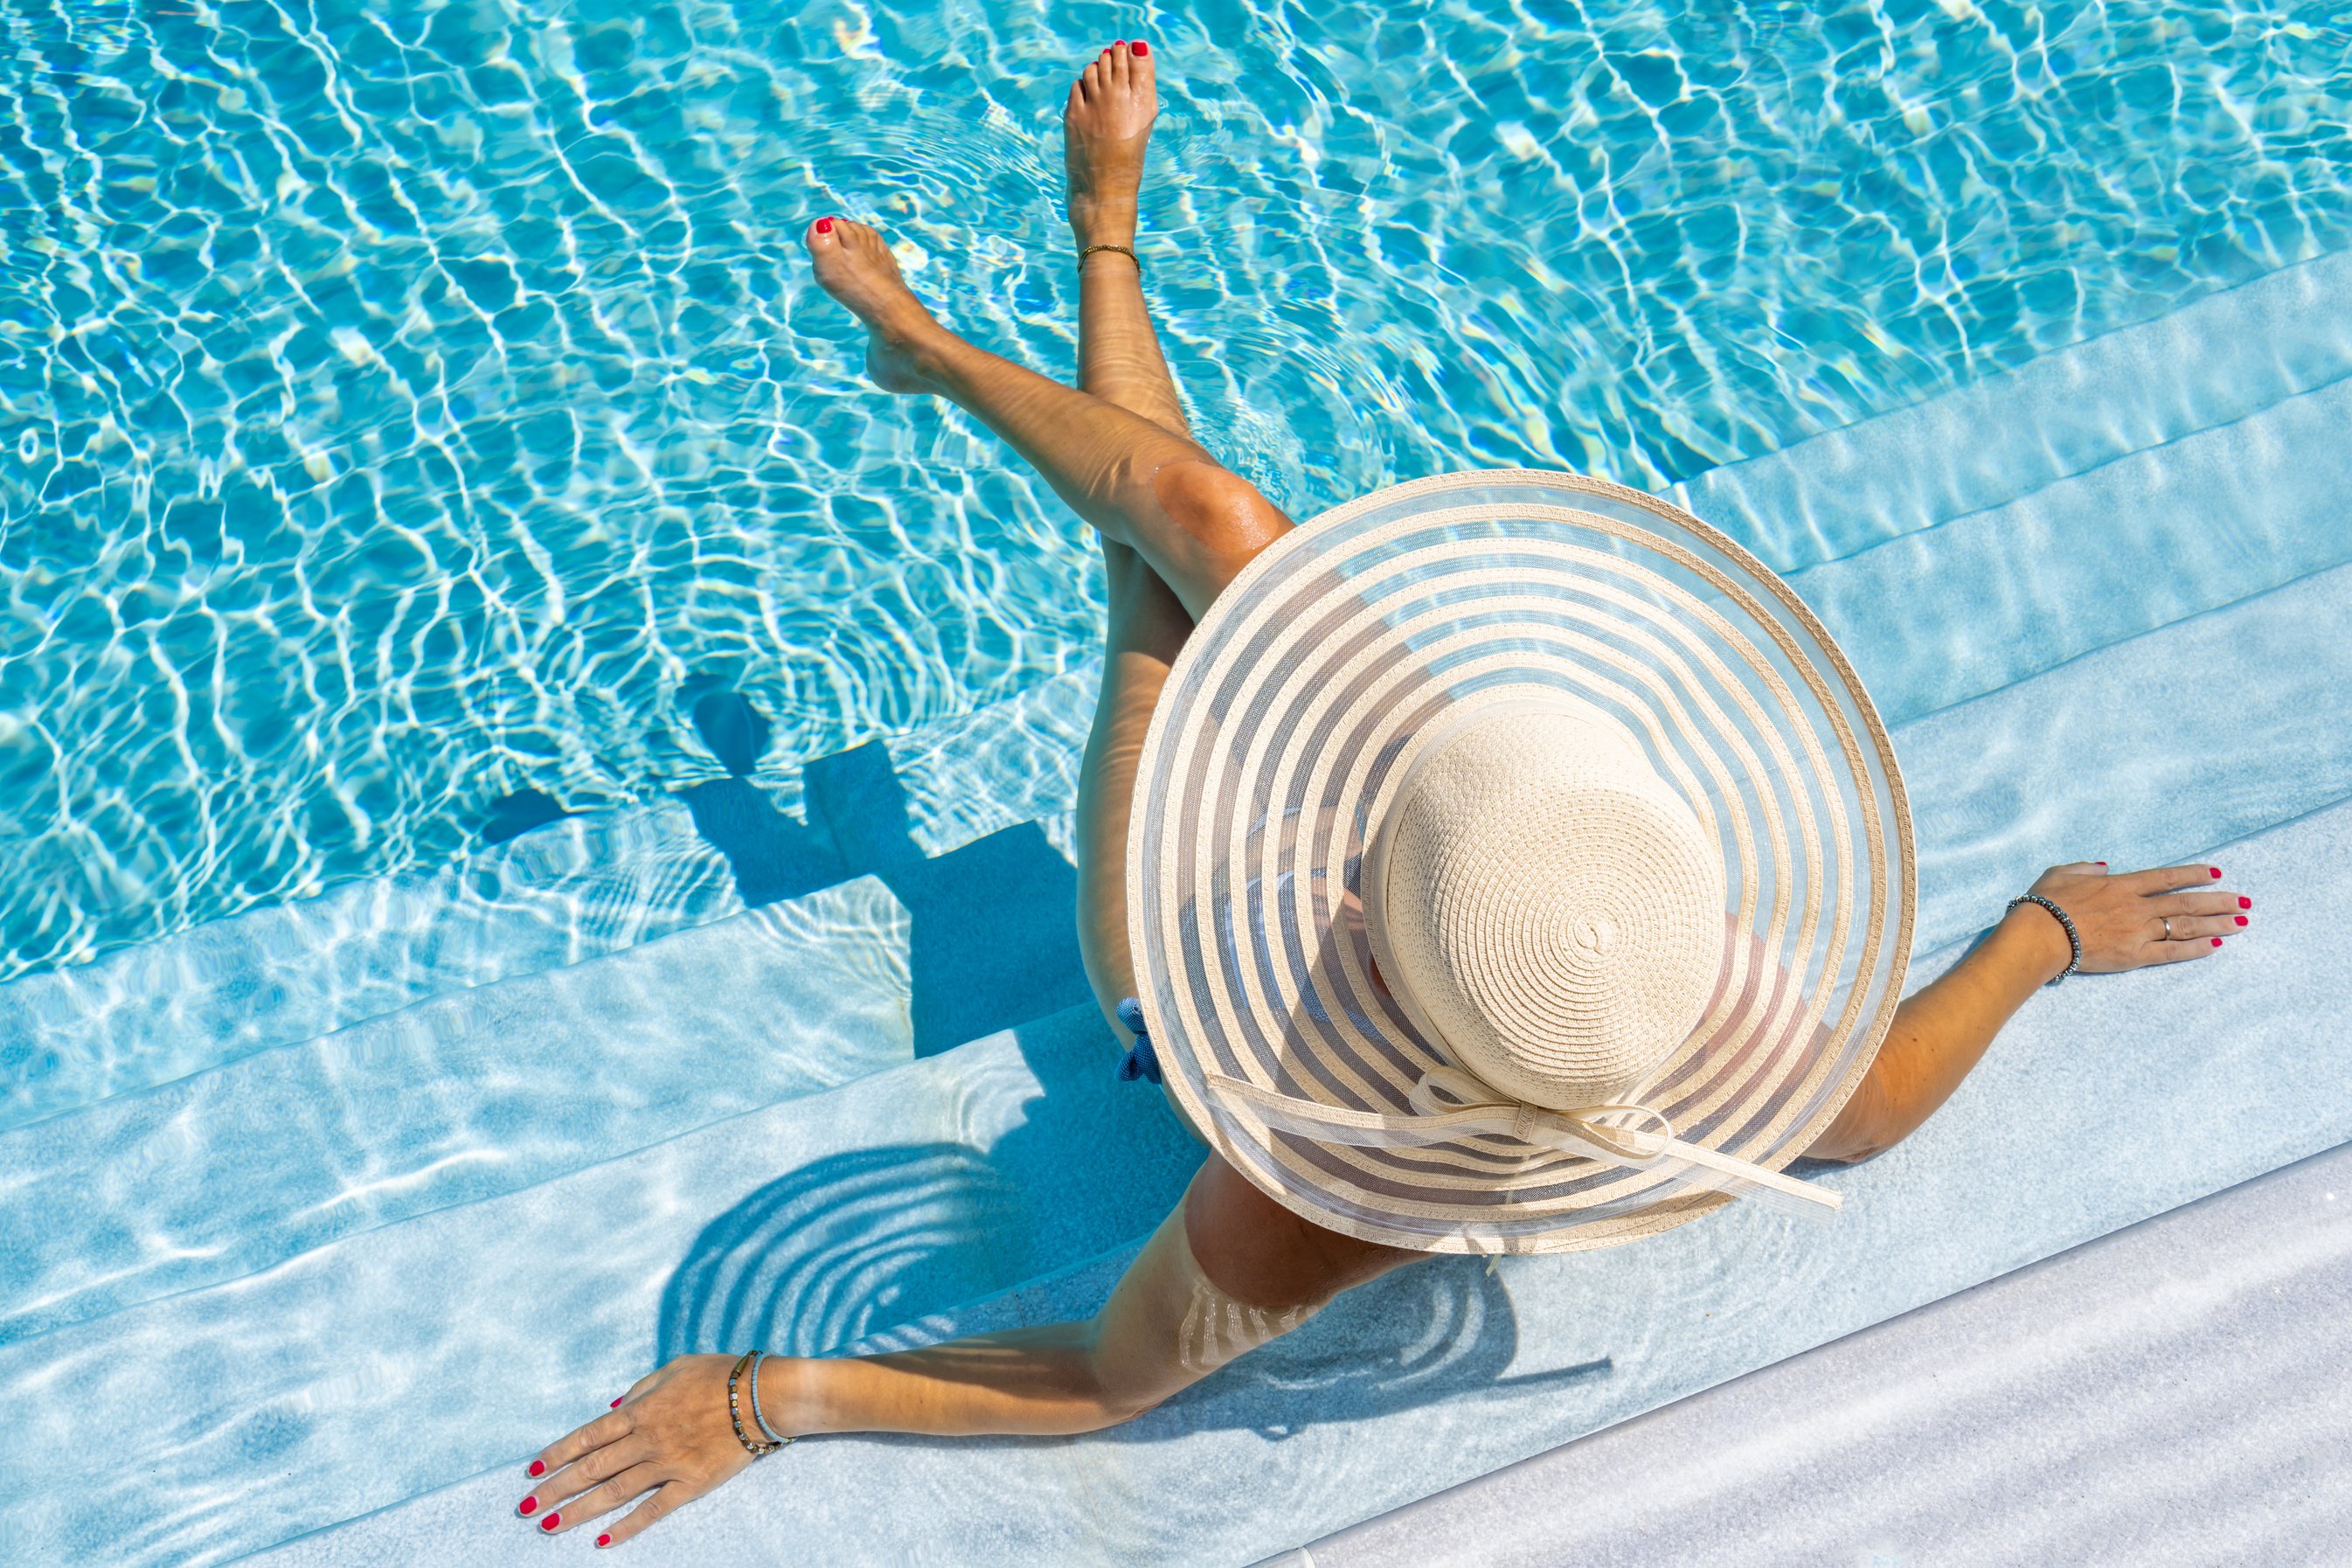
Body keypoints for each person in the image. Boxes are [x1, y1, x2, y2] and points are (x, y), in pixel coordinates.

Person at [512, 41, 2251, 1549]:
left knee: (1152, 614)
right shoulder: (1632, 945)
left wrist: (766, 1398)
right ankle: (1030, 309)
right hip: (1447, 838)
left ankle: (974, 317)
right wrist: (2033, 938)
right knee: (1206, 530)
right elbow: (1861, 1106)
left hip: (1188, 965)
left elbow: (1105, 1380)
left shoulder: (1321, 1186)